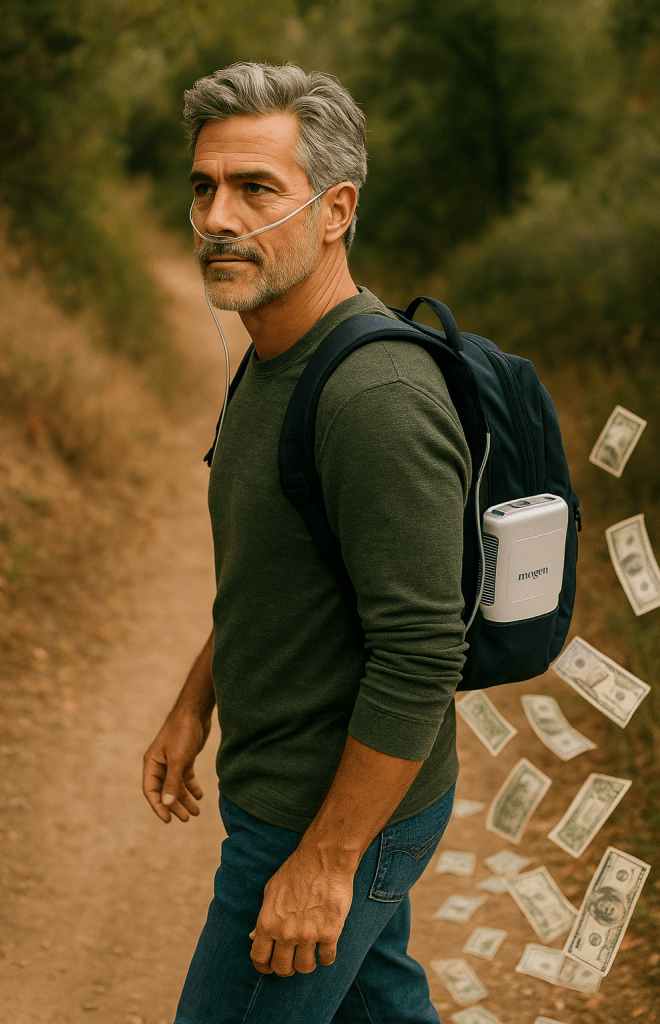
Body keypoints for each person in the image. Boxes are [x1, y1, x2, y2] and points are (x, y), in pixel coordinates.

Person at [142, 61, 471, 1024]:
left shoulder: (374, 398)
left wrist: (324, 864)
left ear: (335, 211)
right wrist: (192, 702)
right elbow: (277, 571)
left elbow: (420, 654)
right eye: (203, 187)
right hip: (298, 794)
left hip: (321, 816)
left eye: (256, 189)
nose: (216, 218)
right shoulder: (271, 356)